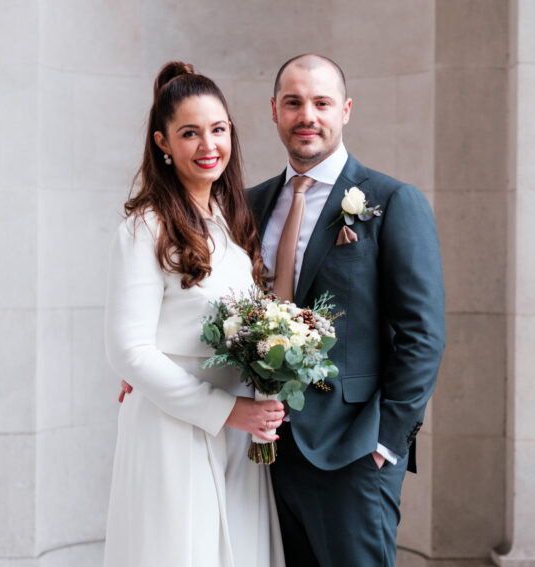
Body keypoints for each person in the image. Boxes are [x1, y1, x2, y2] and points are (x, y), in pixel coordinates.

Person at [246, 54, 446, 566]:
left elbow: (422, 335)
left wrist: (386, 443)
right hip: (261, 451)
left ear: (346, 110)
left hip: (352, 451)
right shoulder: (248, 205)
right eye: (293, 102)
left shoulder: (392, 201)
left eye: (321, 102)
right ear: (274, 110)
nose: (306, 115)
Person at [103, 61, 286, 567]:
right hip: (174, 431)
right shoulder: (144, 228)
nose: (209, 146)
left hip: (239, 434)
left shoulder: (229, 224)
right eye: (190, 133)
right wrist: (229, 412)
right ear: (163, 142)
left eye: (218, 129)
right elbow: (129, 349)